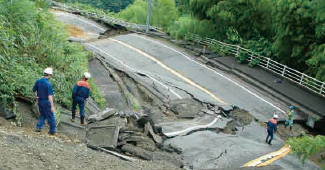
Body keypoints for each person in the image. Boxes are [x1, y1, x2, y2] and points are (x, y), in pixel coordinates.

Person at [33, 68, 56, 135]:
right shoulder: (48, 84)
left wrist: (36, 97)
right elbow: (50, 96)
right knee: (51, 116)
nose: (51, 76)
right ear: (49, 75)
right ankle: (52, 131)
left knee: (43, 115)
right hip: (46, 102)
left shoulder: (38, 81)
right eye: (51, 75)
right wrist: (52, 106)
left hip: (40, 101)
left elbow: (34, 90)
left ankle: (38, 127)